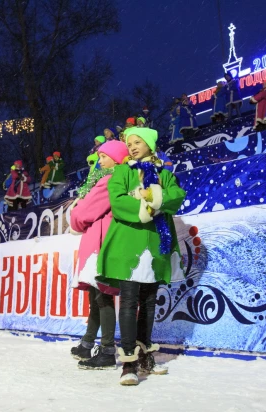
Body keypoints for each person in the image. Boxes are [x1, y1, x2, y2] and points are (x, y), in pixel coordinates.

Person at [96, 127, 186, 386]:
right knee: (128, 302)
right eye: (129, 143)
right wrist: (147, 205)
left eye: (138, 142)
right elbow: (118, 201)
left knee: (148, 303)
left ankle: (146, 357)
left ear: (150, 144)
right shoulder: (123, 172)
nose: (132, 146)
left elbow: (176, 197)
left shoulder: (164, 174)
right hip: (129, 245)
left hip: (156, 244)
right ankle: (129, 364)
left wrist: (155, 197)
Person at [69, 140, 130, 370]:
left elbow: (85, 211)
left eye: (104, 156)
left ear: (116, 158)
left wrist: (75, 215)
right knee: (96, 296)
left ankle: (106, 350)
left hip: (100, 242)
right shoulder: (113, 178)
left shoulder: (110, 180)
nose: (100, 161)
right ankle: (88, 342)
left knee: (102, 296)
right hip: (98, 240)